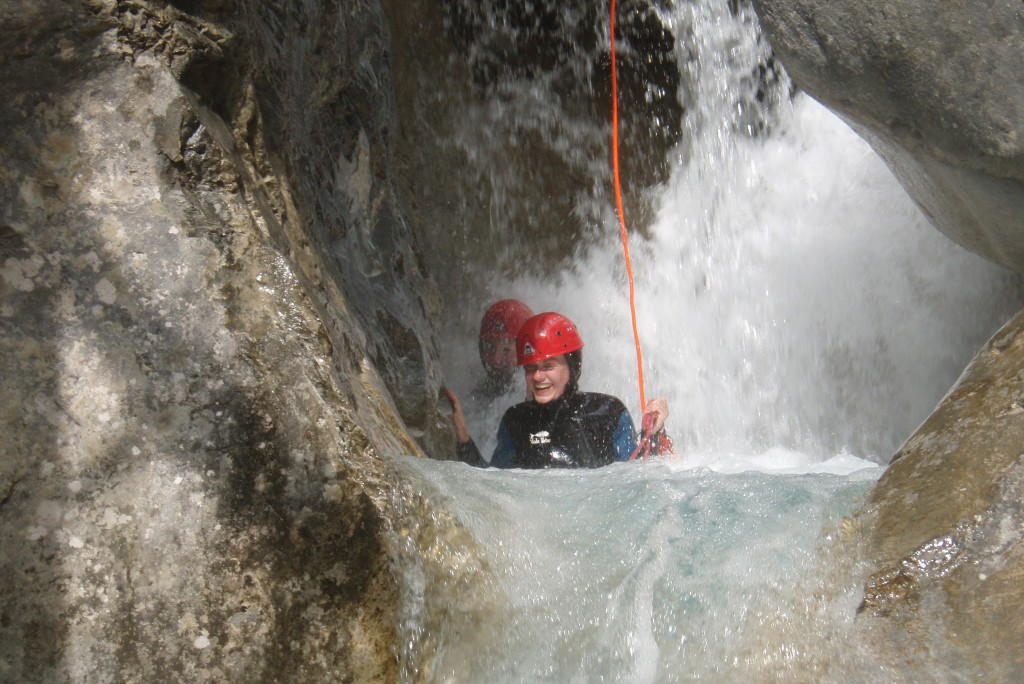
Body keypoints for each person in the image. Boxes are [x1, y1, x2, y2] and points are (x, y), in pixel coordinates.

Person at [453, 311, 669, 468]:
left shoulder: (606, 413)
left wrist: (655, 433)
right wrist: (463, 438)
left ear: (571, 367)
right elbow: (491, 484)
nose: (538, 376)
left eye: (548, 366)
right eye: (531, 368)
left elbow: (639, 476)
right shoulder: (516, 421)